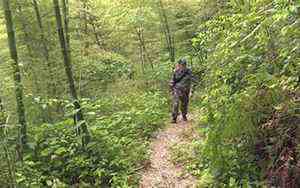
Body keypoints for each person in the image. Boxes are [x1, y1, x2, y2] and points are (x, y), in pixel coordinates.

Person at [169, 58, 193, 123]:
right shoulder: (175, 72)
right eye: (181, 64)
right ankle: (174, 118)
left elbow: (192, 81)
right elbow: (172, 80)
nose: (183, 66)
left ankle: (184, 115)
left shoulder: (189, 71)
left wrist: (192, 91)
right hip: (177, 90)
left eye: (184, 64)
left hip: (185, 90)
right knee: (175, 103)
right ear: (179, 65)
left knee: (184, 104)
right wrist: (171, 88)